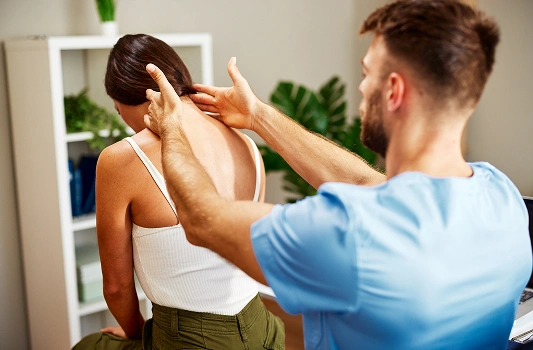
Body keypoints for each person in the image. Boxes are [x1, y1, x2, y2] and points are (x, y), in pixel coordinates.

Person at [143, 1, 533, 349]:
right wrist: (258, 116)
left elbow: (200, 218)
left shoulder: (346, 232)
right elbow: (370, 185)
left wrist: (173, 129)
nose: (362, 87)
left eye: (368, 74)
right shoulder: (502, 197)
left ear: (394, 90)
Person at [72, 34, 284, 350]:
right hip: (263, 330)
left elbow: (116, 287)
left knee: (90, 345)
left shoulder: (120, 159)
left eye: (119, 111)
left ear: (129, 100)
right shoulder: (248, 145)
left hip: (192, 339)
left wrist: (136, 335)